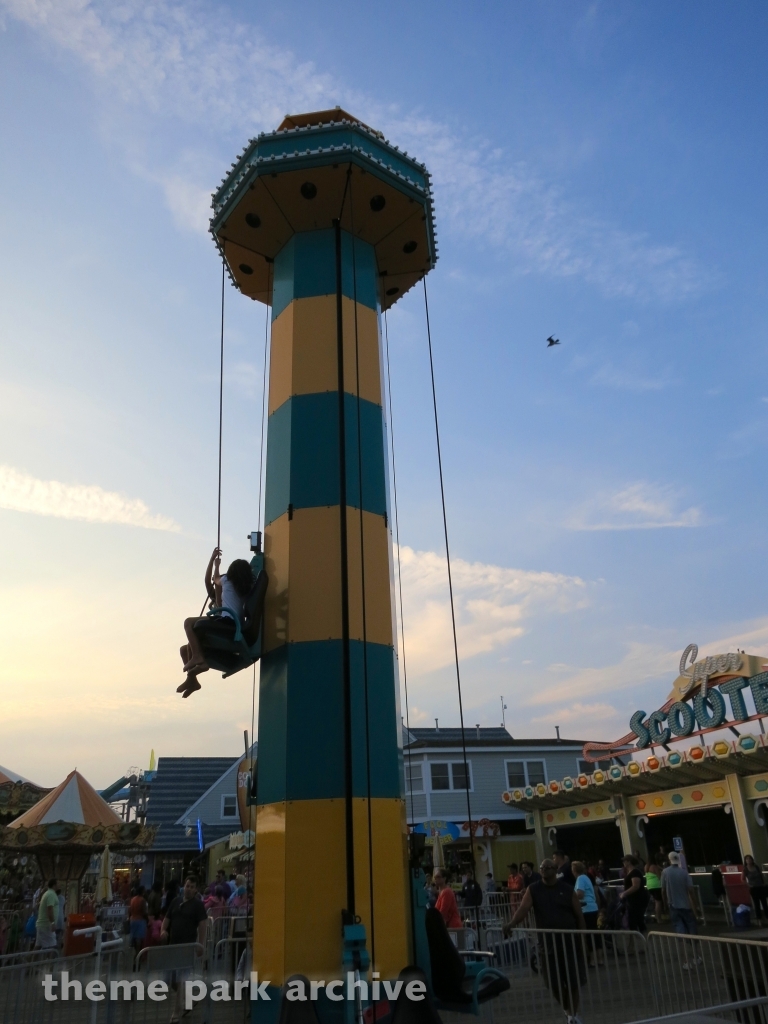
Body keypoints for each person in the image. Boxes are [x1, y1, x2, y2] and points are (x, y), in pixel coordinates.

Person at [504, 859, 586, 1024]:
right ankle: (568, 1010)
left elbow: (579, 916)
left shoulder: (567, 889)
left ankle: (572, 1016)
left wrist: (583, 941)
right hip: (547, 944)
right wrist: (511, 923)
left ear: (555, 870)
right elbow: (523, 909)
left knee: (573, 982)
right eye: (542, 868)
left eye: (548, 868)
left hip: (570, 942)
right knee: (553, 983)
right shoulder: (533, 889)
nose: (544, 870)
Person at [178, 548, 254, 698]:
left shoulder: (226, 581)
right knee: (184, 649)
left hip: (226, 622)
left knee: (188, 623)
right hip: (233, 623)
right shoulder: (245, 588)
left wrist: (215, 563)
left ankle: (198, 658)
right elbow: (212, 584)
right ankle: (192, 680)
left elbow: (214, 579)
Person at [161, 876, 208, 1020]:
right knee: (169, 979)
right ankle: (189, 998)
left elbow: (202, 925)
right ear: (184, 886)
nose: (189, 889)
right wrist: (163, 930)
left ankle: (176, 1012)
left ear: (196, 890)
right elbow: (167, 918)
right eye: (187, 886)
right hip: (173, 946)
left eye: (192, 887)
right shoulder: (176, 901)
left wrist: (201, 944)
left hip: (188, 947)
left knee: (181, 979)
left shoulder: (198, 905)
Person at [572, 861, 602, 966]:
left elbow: (580, 894)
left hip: (586, 908)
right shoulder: (586, 877)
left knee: (588, 935)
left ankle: (592, 960)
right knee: (595, 934)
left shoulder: (580, 879)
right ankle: (600, 958)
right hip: (593, 908)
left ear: (574, 870)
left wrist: (571, 897)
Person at [661, 852, 698, 935]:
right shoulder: (684, 872)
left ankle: (683, 939)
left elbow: (663, 890)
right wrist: (695, 904)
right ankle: (693, 939)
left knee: (678, 924)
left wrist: (665, 903)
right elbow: (691, 890)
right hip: (685, 904)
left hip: (672, 904)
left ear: (669, 860)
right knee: (690, 924)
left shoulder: (665, 872)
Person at [619, 855, 648, 936]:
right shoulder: (630, 872)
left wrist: (624, 893)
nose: (623, 863)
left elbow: (635, 886)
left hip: (637, 900)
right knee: (634, 920)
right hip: (632, 900)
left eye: (624, 861)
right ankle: (636, 939)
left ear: (629, 861)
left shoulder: (635, 872)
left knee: (637, 920)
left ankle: (642, 938)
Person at [34, 879, 59, 951]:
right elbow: (50, 909)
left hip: (42, 925)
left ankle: (29, 958)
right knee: (52, 947)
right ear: (54, 885)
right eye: (58, 884)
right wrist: (52, 922)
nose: (59, 885)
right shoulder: (51, 894)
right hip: (46, 926)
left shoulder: (47, 893)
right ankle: (49, 959)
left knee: (38, 947)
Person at [743, 855, 768, 923]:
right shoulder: (745, 869)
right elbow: (742, 879)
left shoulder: (756, 867)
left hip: (760, 886)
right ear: (745, 861)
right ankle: (759, 919)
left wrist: (764, 882)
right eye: (747, 859)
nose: (749, 860)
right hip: (753, 888)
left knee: (764, 903)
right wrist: (749, 885)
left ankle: (766, 917)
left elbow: (761, 875)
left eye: (750, 859)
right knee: (757, 904)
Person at [129, 885, 148, 955]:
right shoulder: (142, 900)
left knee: (134, 937)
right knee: (139, 938)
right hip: (140, 920)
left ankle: (135, 951)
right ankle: (138, 954)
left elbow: (130, 910)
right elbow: (144, 911)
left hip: (132, 919)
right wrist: (147, 919)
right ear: (142, 891)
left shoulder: (133, 899)